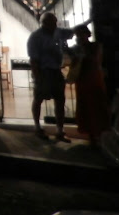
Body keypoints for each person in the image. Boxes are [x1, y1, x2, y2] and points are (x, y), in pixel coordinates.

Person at [27, 12, 75, 142]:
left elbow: (72, 32)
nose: (55, 25)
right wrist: (38, 78)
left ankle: (60, 130)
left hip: (56, 71)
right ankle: (37, 128)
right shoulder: (35, 37)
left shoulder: (57, 32)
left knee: (60, 100)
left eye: (55, 22)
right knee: (38, 99)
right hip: (43, 71)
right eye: (52, 23)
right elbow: (33, 60)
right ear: (44, 23)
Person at [71, 23, 110, 146]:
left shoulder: (95, 46)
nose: (79, 37)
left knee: (97, 105)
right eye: (77, 35)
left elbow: (95, 60)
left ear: (87, 34)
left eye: (81, 34)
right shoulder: (77, 49)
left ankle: (100, 134)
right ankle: (92, 135)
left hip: (93, 79)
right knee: (86, 107)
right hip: (82, 80)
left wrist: (81, 52)